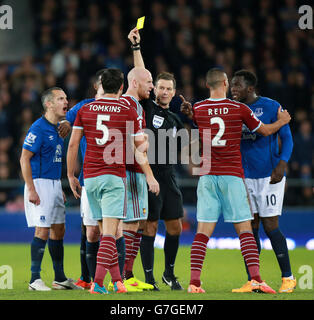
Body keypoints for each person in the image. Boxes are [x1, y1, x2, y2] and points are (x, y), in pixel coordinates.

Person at [180, 68, 291, 294]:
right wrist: (282, 122)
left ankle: (194, 283)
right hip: (232, 178)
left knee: (202, 233)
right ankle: (257, 280)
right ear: (224, 82)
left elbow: (199, 127)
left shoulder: (199, 109)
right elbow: (267, 131)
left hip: (208, 178)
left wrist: (190, 115)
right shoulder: (239, 108)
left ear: (206, 83)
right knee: (245, 231)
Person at [66, 68, 159, 294]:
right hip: (113, 178)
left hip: (91, 179)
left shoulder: (85, 109)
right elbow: (140, 147)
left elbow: (73, 144)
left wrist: (70, 175)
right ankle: (97, 283)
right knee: (110, 233)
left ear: (100, 85)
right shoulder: (127, 110)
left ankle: (117, 281)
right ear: (120, 87)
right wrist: (146, 139)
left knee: (108, 231)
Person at [129, 27, 185, 291]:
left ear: (174, 92)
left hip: (170, 175)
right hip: (149, 175)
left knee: (175, 226)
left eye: (168, 88)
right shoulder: (147, 107)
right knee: (149, 227)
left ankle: (169, 273)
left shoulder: (176, 118)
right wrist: (136, 48)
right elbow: (141, 75)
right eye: (160, 87)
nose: (163, 91)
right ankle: (149, 277)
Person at [230, 69, 296, 293]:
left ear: (250, 88)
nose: (233, 89)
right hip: (244, 177)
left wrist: (282, 163)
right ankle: (254, 280)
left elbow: (286, 138)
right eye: (231, 85)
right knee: (250, 228)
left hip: (269, 176)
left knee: (270, 226)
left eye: (237, 85)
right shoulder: (234, 109)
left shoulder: (270, 106)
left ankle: (288, 277)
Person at [61, 69, 126, 290]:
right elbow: (66, 127)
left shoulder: (92, 109)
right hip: (93, 176)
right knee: (93, 231)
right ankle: (93, 279)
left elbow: (70, 138)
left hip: (101, 176)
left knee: (113, 231)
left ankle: (115, 280)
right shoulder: (83, 108)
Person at [20, 87, 81, 291]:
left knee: (59, 230)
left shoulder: (58, 129)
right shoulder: (38, 128)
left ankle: (60, 278)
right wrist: (31, 189)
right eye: (60, 98)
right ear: (49, 104)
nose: (66, 102)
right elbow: (24, 158)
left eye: (65, 98)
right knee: (43, 229)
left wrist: (58, 187)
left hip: (54, 184)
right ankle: (34, 280)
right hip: (39, 184)